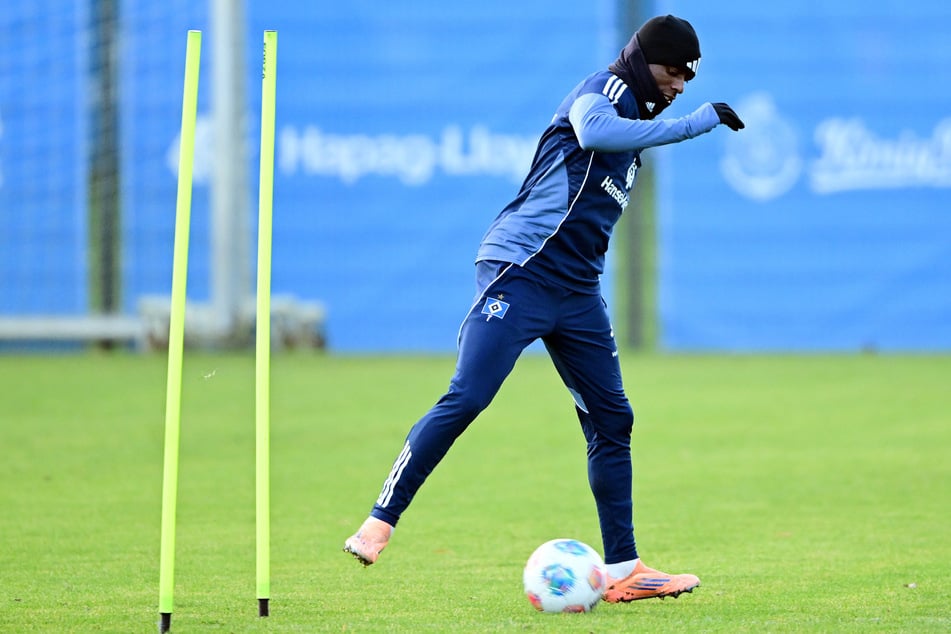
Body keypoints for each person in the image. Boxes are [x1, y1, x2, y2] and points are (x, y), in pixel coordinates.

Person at [344, 14, 744, 603]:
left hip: (578, 292)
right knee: (471, 394)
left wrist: (678, 122)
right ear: (642, 61)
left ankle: (625, 570)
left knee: (614, 419)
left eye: (688, 78)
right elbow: (593, 132)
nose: (680, 84)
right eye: (673, 71)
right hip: (521, 270)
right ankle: (379, 521)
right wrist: (692, 125)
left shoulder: (637, 121)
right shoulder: (604, 91)